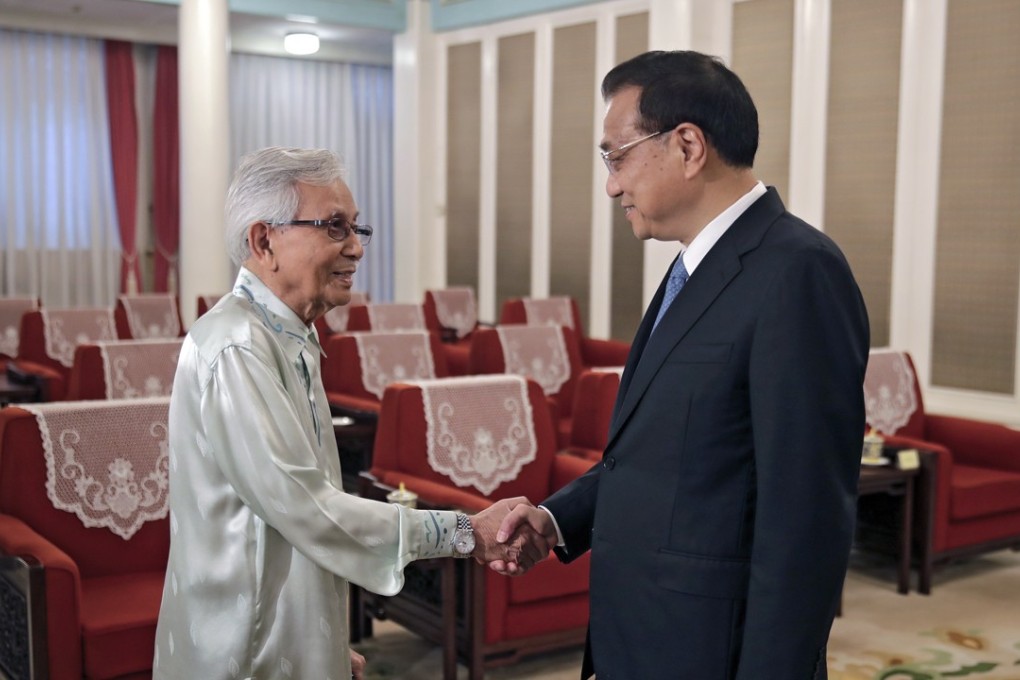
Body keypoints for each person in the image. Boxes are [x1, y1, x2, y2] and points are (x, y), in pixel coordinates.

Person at [494, 51, 870, 679]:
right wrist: (558, 519)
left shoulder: (799, 270)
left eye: (616, 156)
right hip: (640, 633)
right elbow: (664, 454)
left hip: (713, 649)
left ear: (688, 145)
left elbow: (806, 520)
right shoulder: (693, 266)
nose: (612, 183)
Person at [152, 147, 544, 680]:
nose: (357, 248)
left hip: (281, 639)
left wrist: (324, 638)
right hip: (242, 650)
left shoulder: (290, 332)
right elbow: (306, 508)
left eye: (358, 228)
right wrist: (462, 531)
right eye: (334, 228)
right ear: (264, 240)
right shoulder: (237, 346)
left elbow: (292, 523)